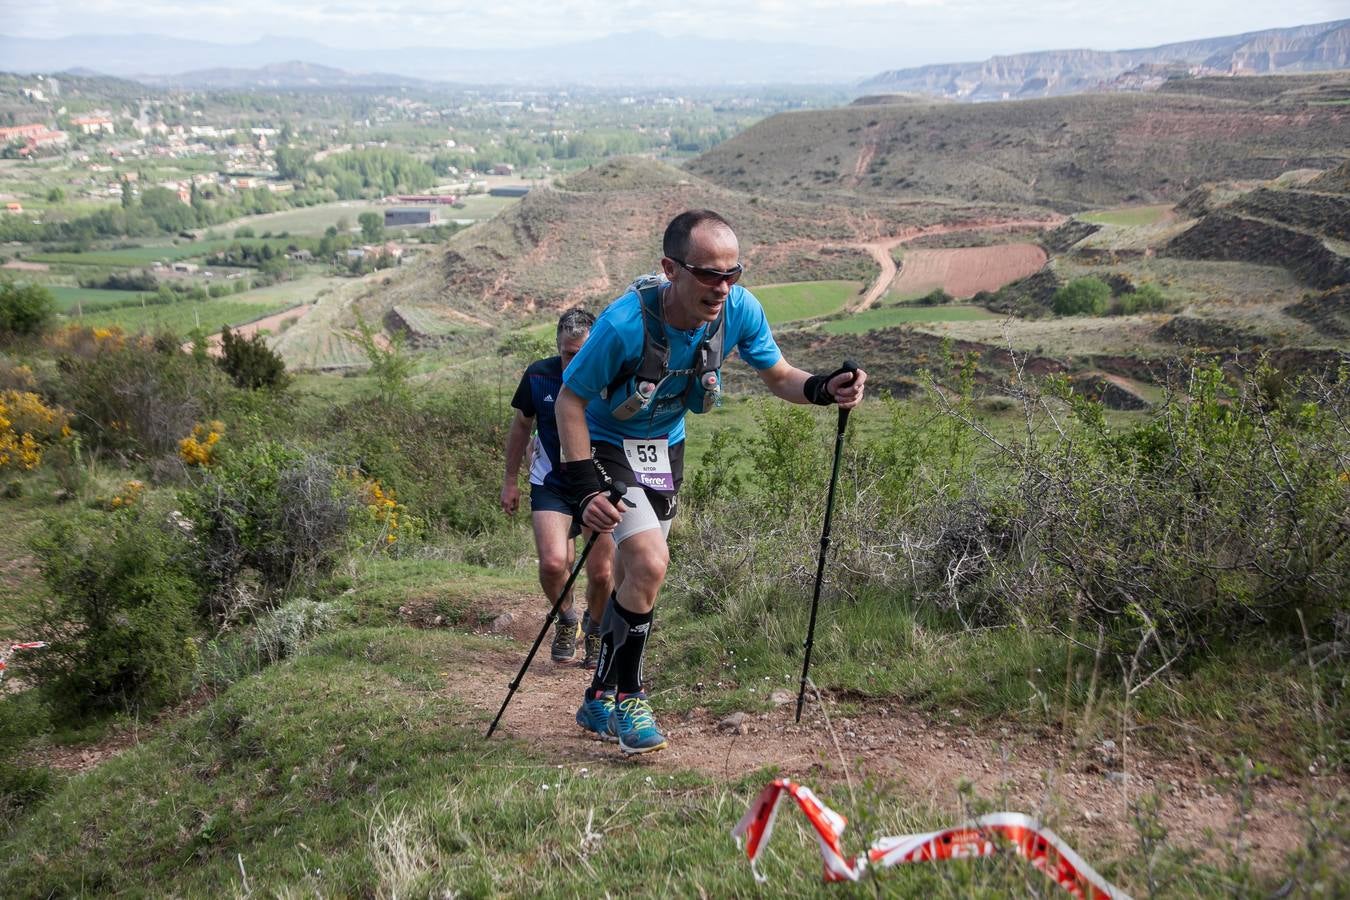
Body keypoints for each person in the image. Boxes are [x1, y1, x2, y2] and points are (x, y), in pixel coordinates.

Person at [557, 209, 866, 755]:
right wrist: (584, 489)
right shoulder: (624, 324)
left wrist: (824, 388)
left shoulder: (740, 310)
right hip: (608, 442)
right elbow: (570, 400)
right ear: (670, 269)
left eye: (732, 273)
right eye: (708, 274)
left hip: (664, 448)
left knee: (637, 577)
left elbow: (779, 376)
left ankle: (599, 693)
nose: (722, 287)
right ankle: (630, 698)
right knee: (651, 562)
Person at [502, 307, 615, 667]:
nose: (574, 361)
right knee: (554, 563)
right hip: (551, 481)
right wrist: (509, 481)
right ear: (558, 346)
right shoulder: (538, 375)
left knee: (601, 572)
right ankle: (567, 619)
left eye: (582, 353)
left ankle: (595, 626)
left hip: (600, 484)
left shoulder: (612, 375)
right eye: (568, 353)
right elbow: (521, 425)